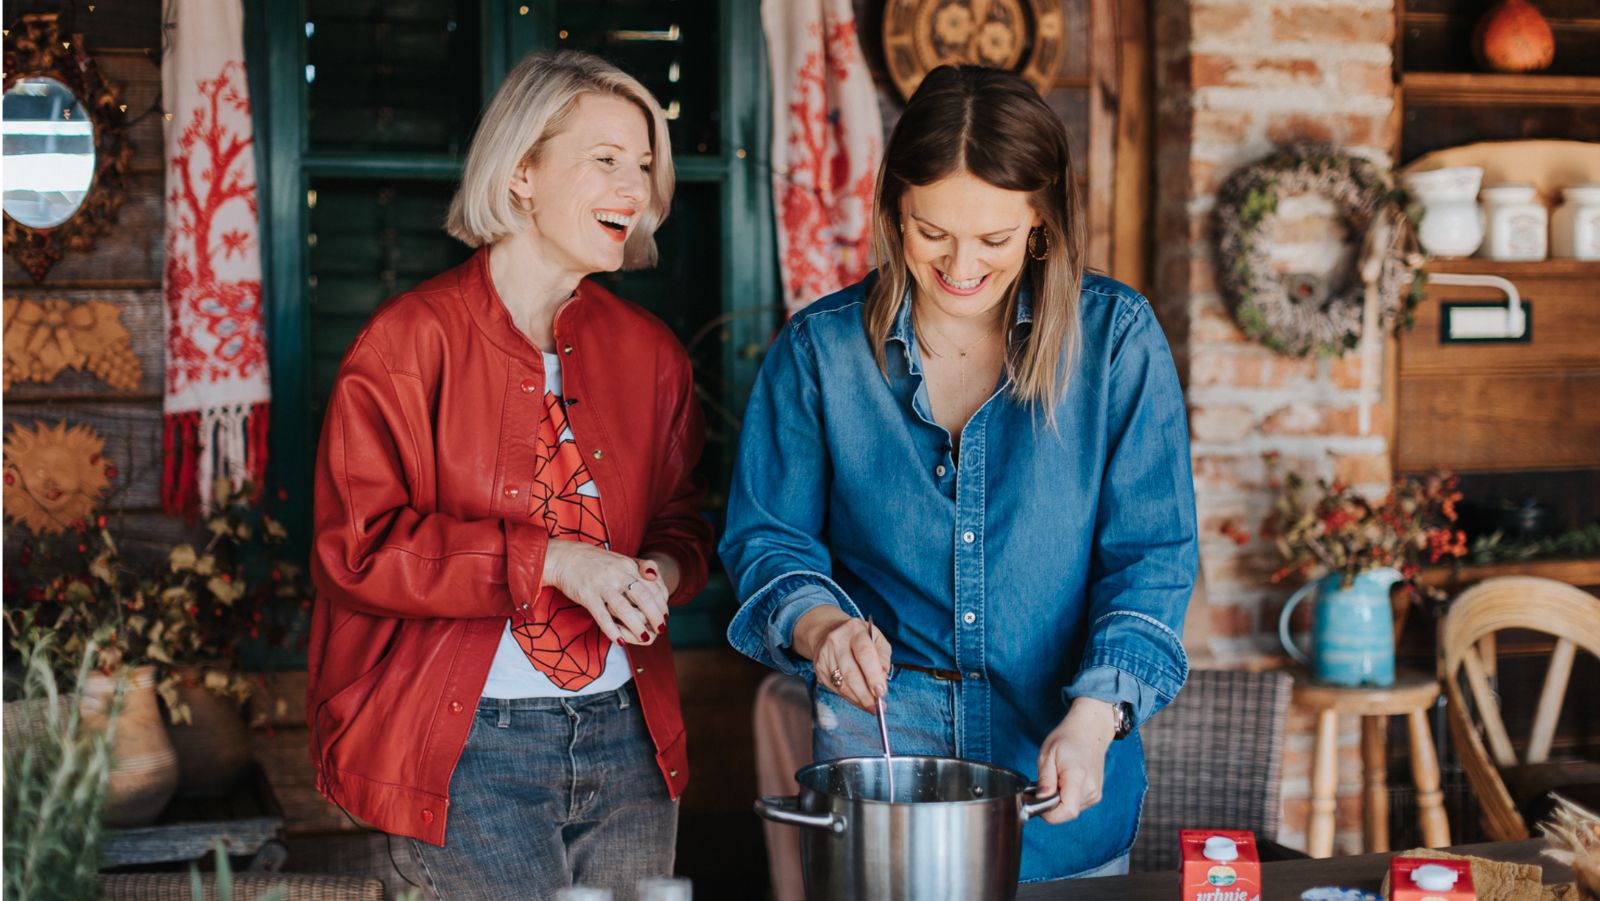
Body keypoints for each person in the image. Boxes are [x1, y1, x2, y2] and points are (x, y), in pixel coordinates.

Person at [721, 64, 1198, 882]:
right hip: (882, 794)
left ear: (1042, 223)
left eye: (995, 239)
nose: (962, 265)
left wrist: (1092, 717)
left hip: (1058, 794)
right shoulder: (820, 352)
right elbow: (769, 540)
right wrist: (821, 628)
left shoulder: (1115, 341)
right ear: (892, 210)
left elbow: (1151, 559)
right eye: (931, 230)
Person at [307, 50, 714, 901]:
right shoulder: (404, 346)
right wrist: (554, 562)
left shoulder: (652, 356)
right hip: (471, 753)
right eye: (605, 159)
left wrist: (658, 570)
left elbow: (682, 520)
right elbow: (359, 551)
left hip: (627, 740)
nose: (634, 188)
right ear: (522, 170)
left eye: (643, 164)